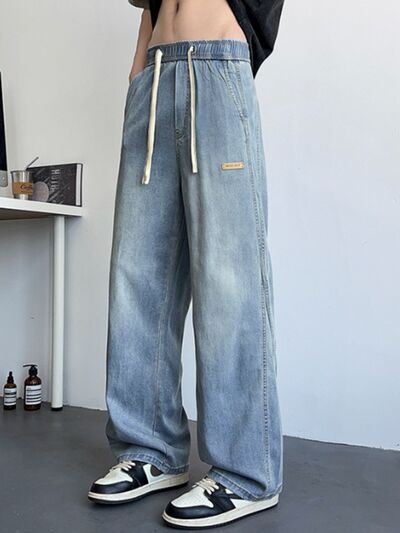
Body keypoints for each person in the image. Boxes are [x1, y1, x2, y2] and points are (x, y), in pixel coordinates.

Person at [88, 0, 285, 528]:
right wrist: (138, 77)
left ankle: (246, 471)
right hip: (154, 77)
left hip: (217, 66)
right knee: (138, 275)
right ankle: (150, 448)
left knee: (229, 282)